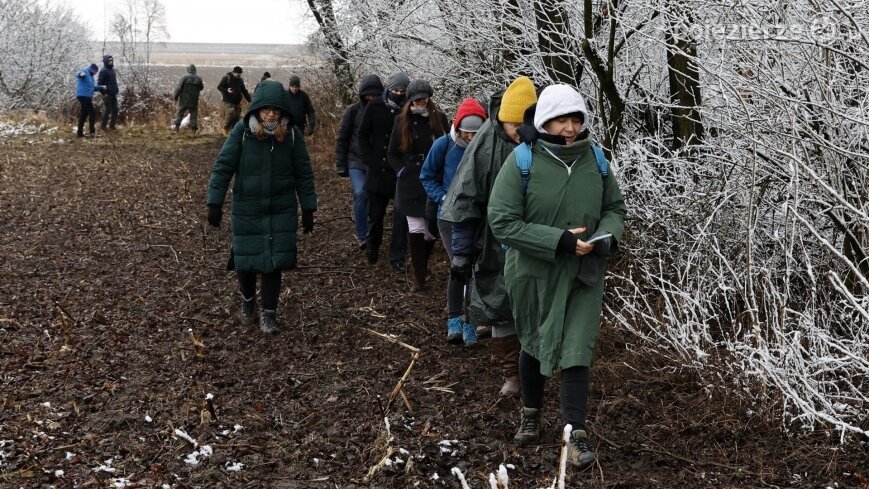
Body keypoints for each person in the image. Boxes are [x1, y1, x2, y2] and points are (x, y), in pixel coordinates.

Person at [487, 84, 626, 468]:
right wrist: (559, 241)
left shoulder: (596, 158)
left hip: (584, 272)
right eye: (562, 119)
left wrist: (606, 236)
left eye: (576, 118)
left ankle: (574, 433)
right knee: (534, 341)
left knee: (576, 350)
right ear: (545, 120)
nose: (570, 127)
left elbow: (614, 207)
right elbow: (502, 222)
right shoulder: (522, 161)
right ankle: (531, 413)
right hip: (534, 273)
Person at [439, 76, 537, 397]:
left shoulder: (543, 142)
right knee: (499, 302)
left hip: (535, 239)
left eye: (522, 123)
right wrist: (463, 252)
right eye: (511, 123)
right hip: (493, 240)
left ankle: (534, 366)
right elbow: (467, 196)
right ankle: (512, 373)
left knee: (534, 305)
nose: (515, 130)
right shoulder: (485, 143)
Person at [206, 80, 318, 334]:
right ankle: (248, 301)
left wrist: (309, 208)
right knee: (245, 262)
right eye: (266, 110)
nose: (270, 114)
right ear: (257, 109)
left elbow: (303, 173)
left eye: (276, 111)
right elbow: (223, 167)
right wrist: (215, 202)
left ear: (282, 112)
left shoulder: (290, 135)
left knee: (273, 263)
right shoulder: (241, 133)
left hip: (281, 208)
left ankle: (269, 313)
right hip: (247, 207)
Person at [420, 98, 487, 345]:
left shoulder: (485, 149)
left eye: (476, 134)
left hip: (477, 217)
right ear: (458, 129)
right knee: (459, 265)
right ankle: (454, 319)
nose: (471, 138)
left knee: (475, 268)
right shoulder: (443, 146)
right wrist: (444, 198)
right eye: (467, 133)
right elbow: (426, 176)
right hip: (449, 218)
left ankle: (471, 320)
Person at [387, 79, 448, 293]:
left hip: (433, 179)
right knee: (415, 228)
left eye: (424, 98)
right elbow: (392, 153)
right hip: (410, 180)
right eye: (416, 99)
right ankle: (419, 278)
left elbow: (447, 146)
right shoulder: (401, 121)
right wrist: (401, 170)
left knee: (431, 230)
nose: (421, 103)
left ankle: (422, 264)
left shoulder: (439, 119)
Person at [358, 72, 410, 272]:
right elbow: (362, 135)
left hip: (399, 171)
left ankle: (397, 256)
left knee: (401, 217)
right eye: (396, 90)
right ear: (389, 89)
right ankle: (373, 246)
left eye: (402, 91)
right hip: (377, 170)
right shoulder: (374, 106)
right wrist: (369, 159)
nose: (398, 94)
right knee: (376, 215)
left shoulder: (407, 109)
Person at [335, 74, 384, 249]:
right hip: (356, 161)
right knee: (361, 192)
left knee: (374, 198)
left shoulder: (385, 110)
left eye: (375, 96)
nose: (371, 99)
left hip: (377, 163)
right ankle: (363, 234)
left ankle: (373, 231)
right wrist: (341, 164)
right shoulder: (353, 111)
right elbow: (342, 137)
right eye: (368, 95)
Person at [217, 66, 251, 136]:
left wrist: (249, 100)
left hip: (237, 101)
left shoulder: (240, 80)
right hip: (228, 100)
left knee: (237, 117)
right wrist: (227, 90)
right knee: (231, 114)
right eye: (237, 73)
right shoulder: (227, 78)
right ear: (233, 72)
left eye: (240, 73)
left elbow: (244, 91)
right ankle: (225, 128)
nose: (239, 75)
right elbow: (219, 87)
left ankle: (233, 132)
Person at [75, 63, 105, 138]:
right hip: (84, 96)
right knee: (92, 113)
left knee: (84, 114)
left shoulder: (91, 77)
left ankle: (79, 132)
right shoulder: (85, 70)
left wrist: (101, 87)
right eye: (95, 72)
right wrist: (81, 74)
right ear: (93, 69)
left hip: (85, 96)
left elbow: (92, 88)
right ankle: (92, 132)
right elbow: (78, 74)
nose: (95, 73)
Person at [172, 64, 204, 133]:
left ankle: (177, 127)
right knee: (193, 114)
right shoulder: (199, 78)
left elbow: (179, 88)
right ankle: (193, 129)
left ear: (188, 70)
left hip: (184, 99)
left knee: (180, 112)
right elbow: (201, 88)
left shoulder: (184, 77)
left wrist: (175, 96)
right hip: (194, 99)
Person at [97, 55, 119, 130]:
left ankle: (112, 125)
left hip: (113, 93)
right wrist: (104, 93)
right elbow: (100, 84)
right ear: (106, 61)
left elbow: (114, 82)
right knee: (108, 109)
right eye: (109, 61)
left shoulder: (112, 70)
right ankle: (103, 126)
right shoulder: (103, 71)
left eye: (111, 60)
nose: (111, 62)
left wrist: (116, 89)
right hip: (107, 94)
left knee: (115, 110)